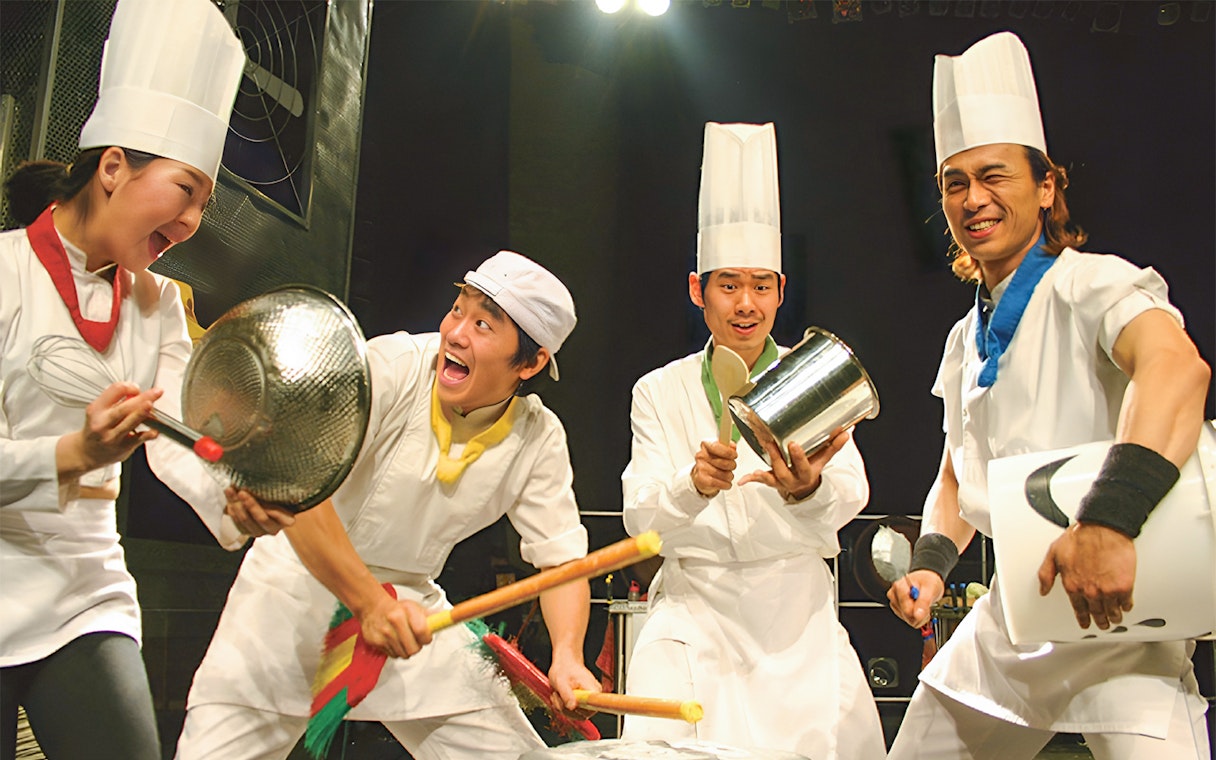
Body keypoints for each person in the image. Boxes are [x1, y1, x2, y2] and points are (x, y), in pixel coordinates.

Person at [886, 31, 1212, 760]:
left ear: (1046, 185)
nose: (973, 198)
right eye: (954, 182)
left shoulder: (1094, 284)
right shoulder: (962, 338)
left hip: (1120, 617)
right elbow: (956, 471)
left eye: (994, 175)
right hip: (1017, 615)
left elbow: (1178, 369)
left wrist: (1110, 520)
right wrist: (932, 564)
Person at [0, 1, 291, 758]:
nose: (193, 221)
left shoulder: (158, 302)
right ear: (112, 167)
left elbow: (179, 438)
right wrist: (72, 453)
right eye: (186, 190)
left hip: (83, 594)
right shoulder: (3, 275)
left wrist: (234, 496)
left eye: (203, 203)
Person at [174, 250, 603, 760]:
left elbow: (561, 561)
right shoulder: (390, 367)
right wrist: (369, 603)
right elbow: (300, 490)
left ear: (531, 363)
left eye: (484, 325)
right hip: (293, 590)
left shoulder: (538, 437)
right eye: (458, 310)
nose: (457, 333)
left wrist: (569, 657)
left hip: (411, 608)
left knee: (513, 754)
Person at [620, 122, 886, 759]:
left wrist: (808, 488)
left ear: (781, 293)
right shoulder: (659, 389)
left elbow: (852, 491)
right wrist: (693, 487)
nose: (747, 303)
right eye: (728, 284)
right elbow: (639, 514)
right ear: (698, 292)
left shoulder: (808, 374)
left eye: (762, 285)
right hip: (694, 610)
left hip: (797, 617)